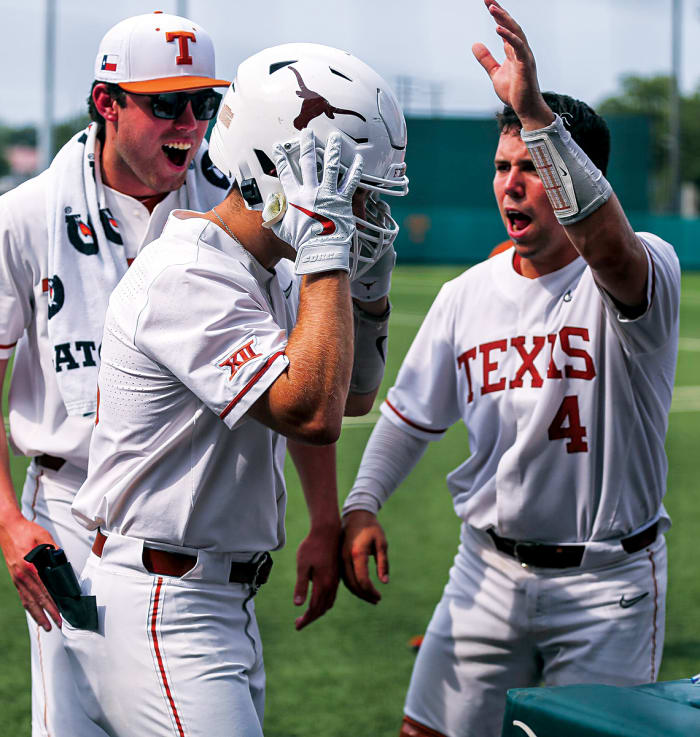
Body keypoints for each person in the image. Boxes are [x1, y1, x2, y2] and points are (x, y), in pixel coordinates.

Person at [340, 3, 680, 736]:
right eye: (503, 167)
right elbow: (408, 415)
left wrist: (534, 113)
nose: (511, 184)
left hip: (606, 583)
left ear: (575, 173)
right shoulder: (468, 295)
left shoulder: (641, 270)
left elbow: (610, 250)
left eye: (532, 166)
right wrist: (361, 504)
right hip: (485, 570)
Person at [62, 42, 408, 737]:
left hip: (207, 596)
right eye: (354, 189)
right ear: (285, 168)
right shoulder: (187, 272)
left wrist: (366, 292)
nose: (365, 210)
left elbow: (350, 397)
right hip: (167, 598)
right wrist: (326, 249)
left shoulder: (260, 272)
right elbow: (309, 413)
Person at [0, 11, 231, 736]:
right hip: (72, 513)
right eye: (166, 103)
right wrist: (8, 521)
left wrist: (325, 513)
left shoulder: (231, 208)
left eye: (205, 104)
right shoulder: (26, 216)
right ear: (108, 103)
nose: (189, 124)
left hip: (198, 527)